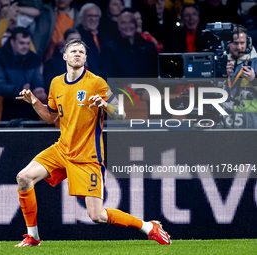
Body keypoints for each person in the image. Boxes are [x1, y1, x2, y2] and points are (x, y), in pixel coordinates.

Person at [14, 38, 171, 247]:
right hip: (62, 149)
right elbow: (52, 117)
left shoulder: (96, 82)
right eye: (73, 51)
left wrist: (105, 105)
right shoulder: (56, 83)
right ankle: (33, 236)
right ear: (65, 56)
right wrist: (34, 102)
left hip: (88, 156)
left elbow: (122, 113)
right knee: (23, 178)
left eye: (81, 51)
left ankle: (149, 227)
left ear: (85, 58)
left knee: (97, 216)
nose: (77, 54)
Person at [0, 27, 46, 101]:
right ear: (12, 42)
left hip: (23, 102)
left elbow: (37, 80)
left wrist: (38, 89)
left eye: (28, 43)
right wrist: (19, 89)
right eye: (21, 43)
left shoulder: (34, 58)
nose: (25, 47)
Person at [99, 10, 158, 79]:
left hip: (146, 88)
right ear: (119, 26)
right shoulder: (109, 48)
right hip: (119, 89)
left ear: (136, 25)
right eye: (123, 23)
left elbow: (154, 75)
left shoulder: (149, 47)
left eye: (131, 22)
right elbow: (105, 75)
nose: (128, 26)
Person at [43, 28, 81, 94]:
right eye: (71, 40)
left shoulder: (88, 60)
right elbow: (51, 87)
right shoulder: (52, 64)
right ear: (64, 42)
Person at [77, 3, 104, 75]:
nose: (93, 19)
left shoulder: (104, 35)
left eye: (96, 16)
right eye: (90, 16)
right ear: (82, 17)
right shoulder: (76, 36)